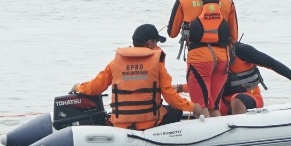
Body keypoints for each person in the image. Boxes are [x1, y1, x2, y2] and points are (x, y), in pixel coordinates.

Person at [72, 23, 203, 130]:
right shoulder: (157, 66)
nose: (157, 46)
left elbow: (95, 87)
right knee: (175, 110)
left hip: (121, 123)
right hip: (150, 122)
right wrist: (192, 107)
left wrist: (79, 87)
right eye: (156, 42)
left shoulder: (115, 64)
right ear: (150, 43)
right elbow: (170, 97)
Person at [167, 0, 240, 113]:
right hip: (222, 60)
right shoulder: (227, 0)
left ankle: (205, 133)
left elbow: (172, 33)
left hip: (199, 59)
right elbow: (234, 36)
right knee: (214, 106)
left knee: (200, 106)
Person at [222, 43, 291, 115]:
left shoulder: (241, 50)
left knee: (237, 100)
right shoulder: (210, 55)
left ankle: (241, 134)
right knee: (209, 104)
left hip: (249, 97)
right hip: (221, 102)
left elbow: (271, 63)